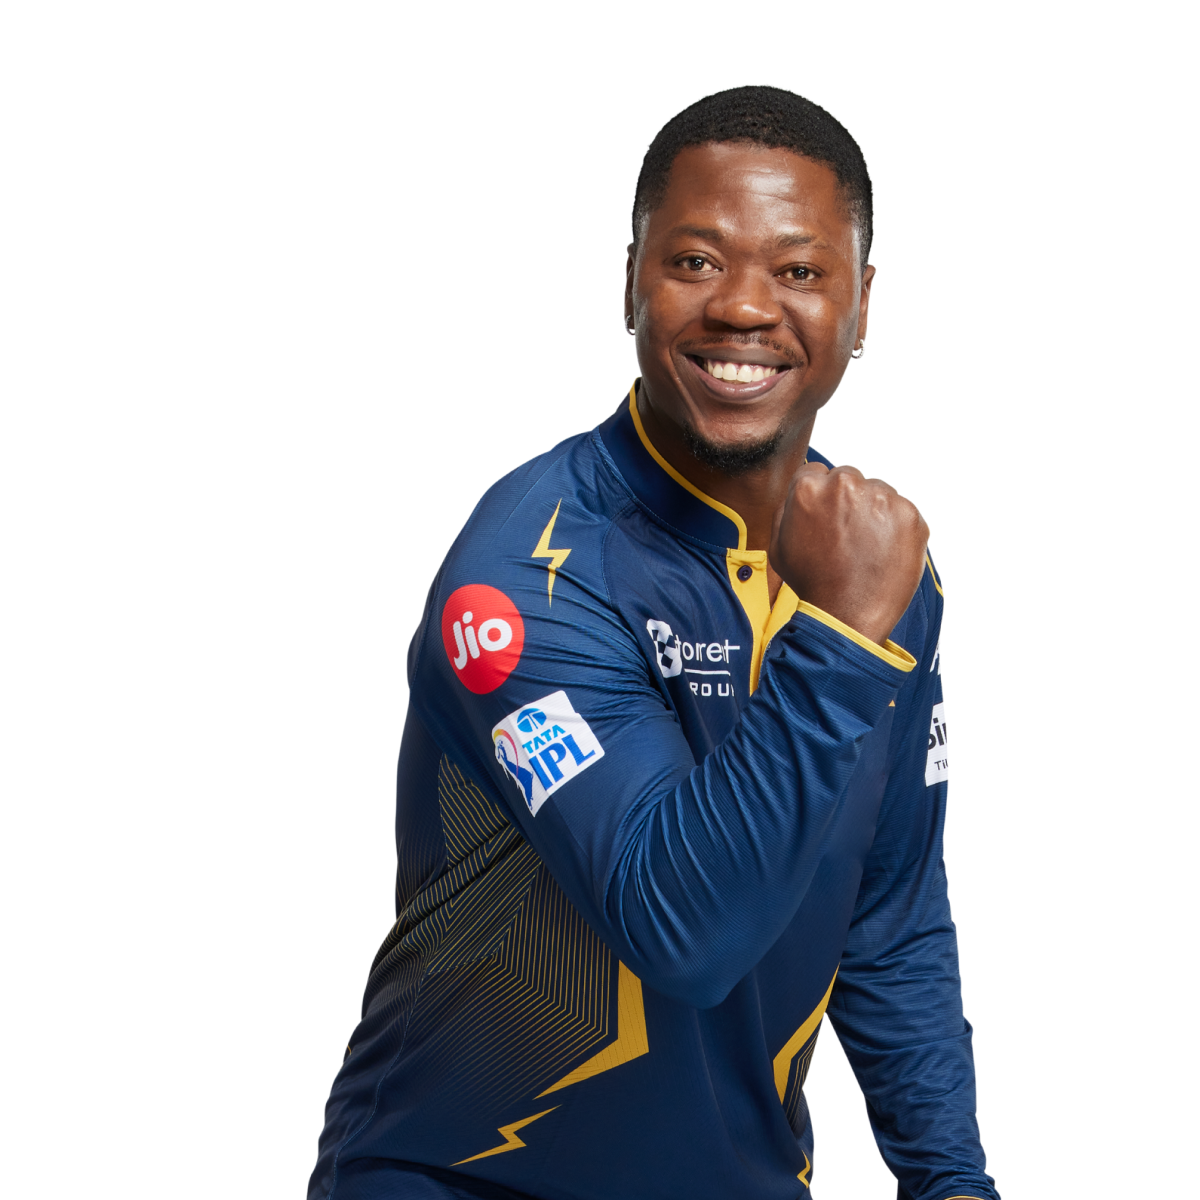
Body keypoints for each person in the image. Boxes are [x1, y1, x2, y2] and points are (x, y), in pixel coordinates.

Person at [308, 85, 996, 1200]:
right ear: (629, 283)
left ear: (863, 307)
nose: (745, 307)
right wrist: (837, 642)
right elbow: (681, 931)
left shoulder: (879, 571)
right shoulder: (523, 572)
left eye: (799, 270)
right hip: (462, 1182)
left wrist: (953, 1184)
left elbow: (892, 917)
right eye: (695, 261)